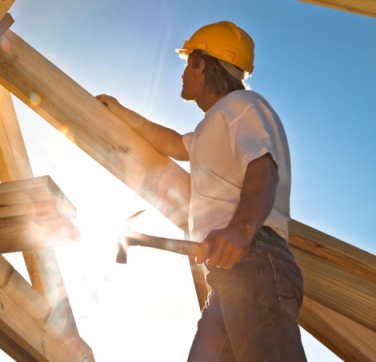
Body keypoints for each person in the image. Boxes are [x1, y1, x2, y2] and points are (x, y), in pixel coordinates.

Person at [96, 21, 306, 361]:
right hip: (229, 275)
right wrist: (120, 112)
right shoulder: (215, 123)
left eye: (186, 63)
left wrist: (240, 229)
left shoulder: (242, 105)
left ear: (201, 62)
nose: (182, 74)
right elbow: (172, 143)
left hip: (254, 260)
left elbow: (263, 166)